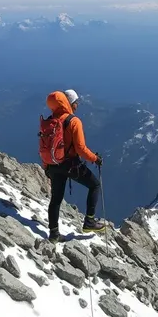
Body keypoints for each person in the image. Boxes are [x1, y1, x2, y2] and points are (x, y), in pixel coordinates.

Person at [44, 89, 105, 243]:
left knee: (55, 200)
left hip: (53, 164)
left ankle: (54, 234)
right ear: (70, 103)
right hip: (70, 165)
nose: (78, 105)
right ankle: (89, 221)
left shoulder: (51, 120)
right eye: (76, 102)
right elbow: (81, 149)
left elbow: (44, 146)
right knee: (95, 185)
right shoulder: (73, 121)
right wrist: (95, 159)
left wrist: (46, 166)